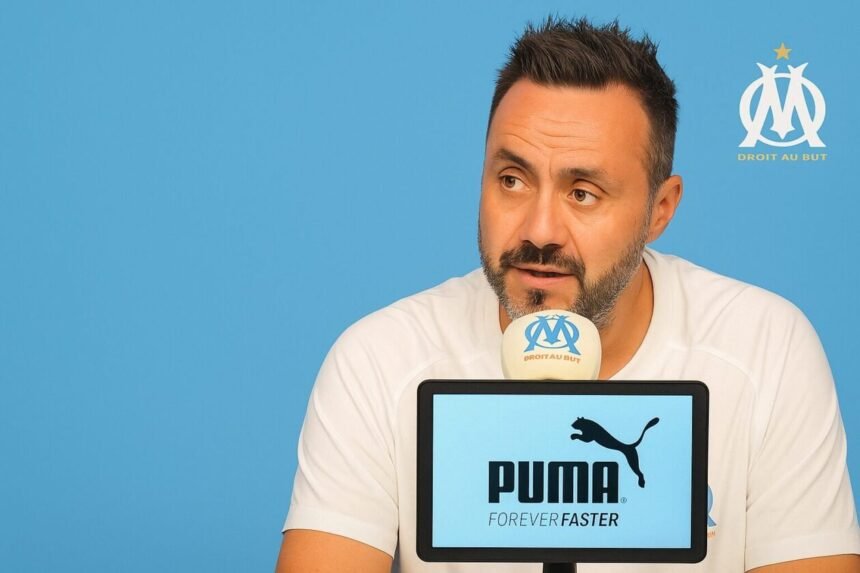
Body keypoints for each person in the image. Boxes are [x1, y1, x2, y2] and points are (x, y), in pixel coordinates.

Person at [275, 16, 860, 572]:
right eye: (512, 180)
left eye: (583, 193)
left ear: (660, 210)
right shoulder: (379, 363)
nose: (539, 231)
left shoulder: (767, 351)